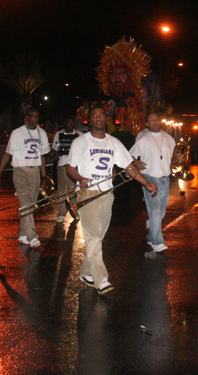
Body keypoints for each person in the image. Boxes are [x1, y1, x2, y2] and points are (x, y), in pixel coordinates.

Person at [67, 105, 156, 294]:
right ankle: (101, 279)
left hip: (107, 194)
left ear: (106, 118)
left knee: (98, 237)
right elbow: (70, 168)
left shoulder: (114, 143)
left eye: (101, 115)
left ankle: (85, 272)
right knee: (92, 236)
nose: (98, 118)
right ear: (89, 120)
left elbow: (129, 167)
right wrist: (80, 179)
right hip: (88, 193)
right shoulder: (80, 142)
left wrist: (146, 183)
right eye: (94, 115)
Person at [0, 107, 50, 248]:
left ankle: (22, 234)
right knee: (26, 203)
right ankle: (32, 236)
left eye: (37, 116)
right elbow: (7, 154)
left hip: (35, 171)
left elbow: (42, 156)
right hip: (20, 170)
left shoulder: (42, 133)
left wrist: (44, 175)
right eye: (32, 116)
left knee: (29, 205)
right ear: (27, 117)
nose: (35, 119)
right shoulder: (17, 133)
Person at [130, 112, 176, 253]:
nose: (155, 121)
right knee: (155, 211)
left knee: (161, 211)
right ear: (147, 124)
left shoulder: (169, 139)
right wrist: (136, 162)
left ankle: (151, 236)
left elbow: (173, 157)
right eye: (151, 120)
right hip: (150, 178)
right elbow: (129, 155)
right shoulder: (143, 139)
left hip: (165, 178)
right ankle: (157, 242)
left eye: (157, 119)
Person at [51, 117, 82, 223]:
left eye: (71, 123)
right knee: (62, 190)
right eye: (68, 122)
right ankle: (61, 213)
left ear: (74, 124)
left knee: (73, 190)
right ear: (65, 123)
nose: (70, 125)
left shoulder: (79, 135)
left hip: (74, 165)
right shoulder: (58, 134)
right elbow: (55, 149)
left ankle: (74, 211)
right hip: (62, 164)